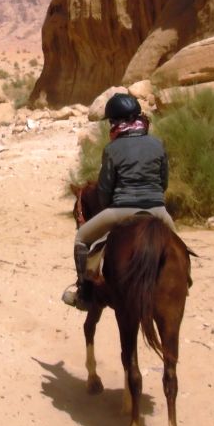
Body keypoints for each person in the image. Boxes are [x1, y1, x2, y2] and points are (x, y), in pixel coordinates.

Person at [62, 92, 175, 310]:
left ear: (115, 121)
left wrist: (110, 206)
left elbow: (104, 190)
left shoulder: (112, 149)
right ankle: (184, 281)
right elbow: (164, 182)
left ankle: (84, 293)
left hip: (122, 210)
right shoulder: (157, 144)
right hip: (157, 210)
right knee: (178, 245)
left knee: (81, 238)